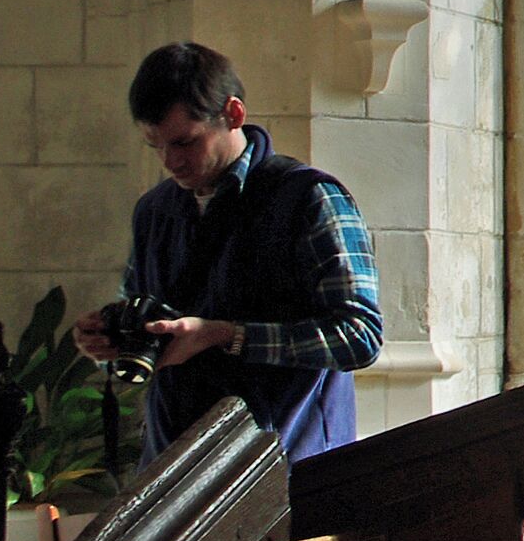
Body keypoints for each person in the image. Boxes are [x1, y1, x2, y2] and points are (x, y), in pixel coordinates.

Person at [74, 42, 381, 460]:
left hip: (286, 465)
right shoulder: (153, 210)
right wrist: (110, 341)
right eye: (155, 146)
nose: (170, 162)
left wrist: (225, 335)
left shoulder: (310, 198)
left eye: (185, 142)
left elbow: (360, 337)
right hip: (174, 465)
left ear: (233, 114)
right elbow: (143, 319)